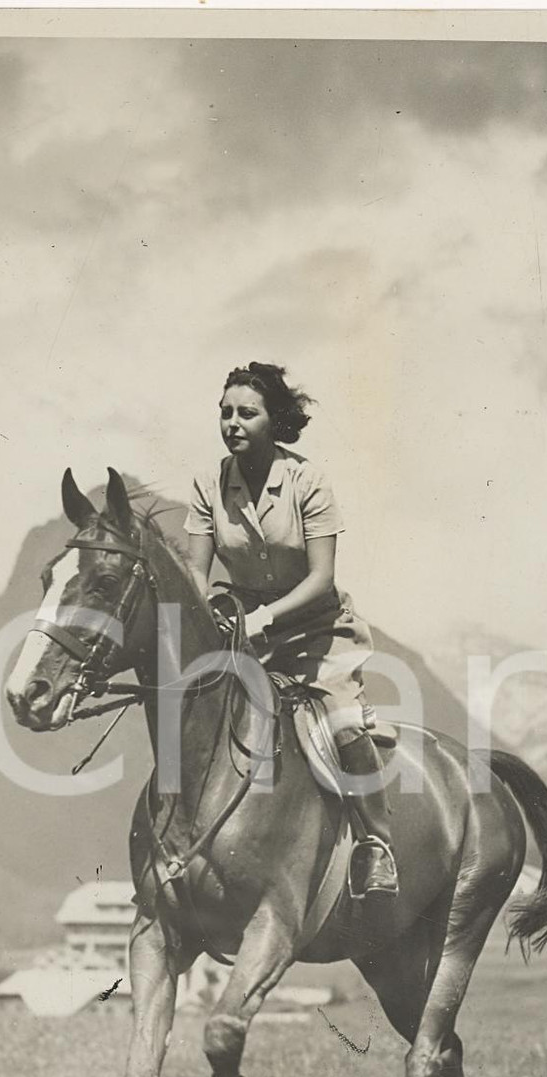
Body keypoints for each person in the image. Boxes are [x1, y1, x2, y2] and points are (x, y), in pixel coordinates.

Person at [184, 361, 398, 899]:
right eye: (225, 413)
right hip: (241, 635)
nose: (232, 423)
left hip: (318, 632)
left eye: (246, 413)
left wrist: (264, 618)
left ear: (273, 420)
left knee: (344, 724)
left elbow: (321, 578)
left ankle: (377, 844)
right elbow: (194, 573)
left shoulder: (308, 482)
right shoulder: (208, 484)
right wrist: (211, 614)